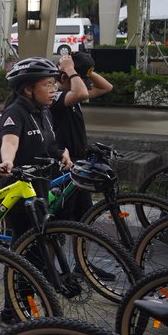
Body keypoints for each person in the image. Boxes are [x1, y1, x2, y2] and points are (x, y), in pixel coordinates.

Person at [0, 57, 71, 241]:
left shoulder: (44, 111)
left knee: (46, 241)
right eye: (47, 85)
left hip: (40, 186)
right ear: (28, 90)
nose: (54, 90)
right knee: (27, 247)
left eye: (54, 84)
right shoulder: (15, 112)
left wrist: (62, 152)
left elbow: (47, 143)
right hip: (20, 191)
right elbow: (10, 142)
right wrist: (7, 161)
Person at [49, 51, 114, 221]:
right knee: (62, 218)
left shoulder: (72, 93)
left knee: (84, 217)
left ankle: (79, 246)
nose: (84, 85)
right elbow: (82, 94)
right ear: (63, 78)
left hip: (79, 162)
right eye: (78, 80)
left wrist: (86, 69)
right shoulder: (54, 97)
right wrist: (71, 70)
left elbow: (106, 87)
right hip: (64, 163)